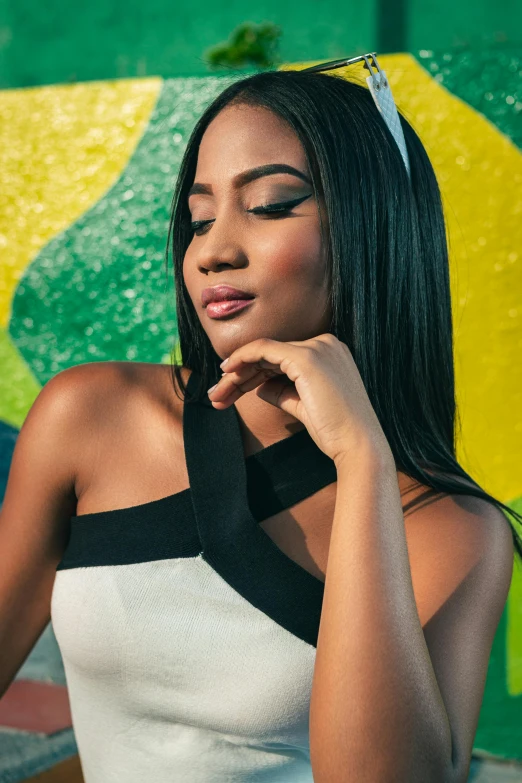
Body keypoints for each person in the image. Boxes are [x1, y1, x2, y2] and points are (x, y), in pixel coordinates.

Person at [1, 65, 520, 783]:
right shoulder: (90, 414)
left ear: (375, 227)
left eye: (272, 205)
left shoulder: (449, 528)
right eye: (200, 216)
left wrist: (362, 460)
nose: (213, 249)